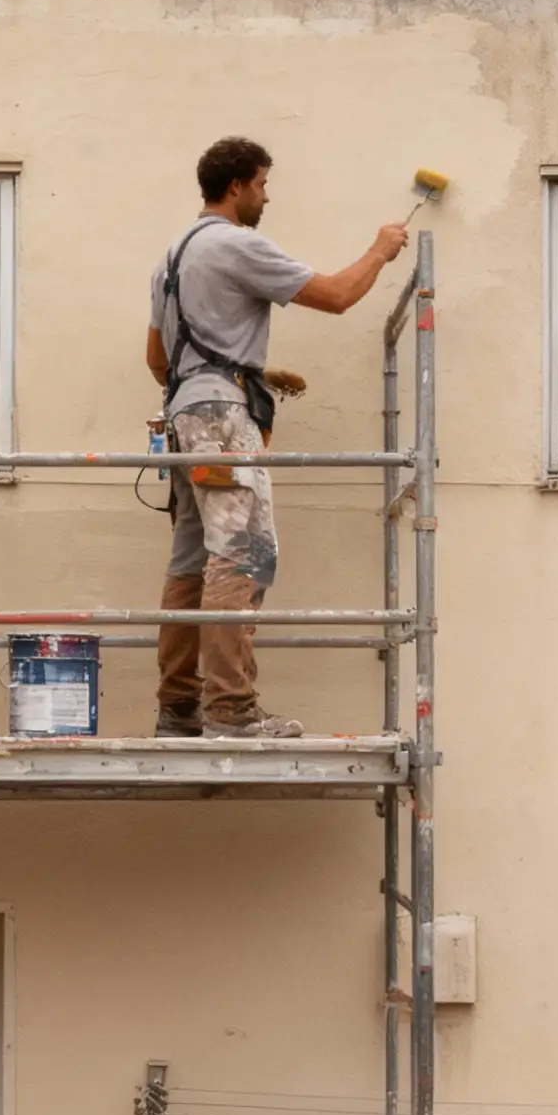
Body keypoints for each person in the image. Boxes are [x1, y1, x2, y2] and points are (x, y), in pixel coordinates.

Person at [147, 138, 408, 739]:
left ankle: (179, 709)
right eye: (263, 183)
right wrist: (380, 250)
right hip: (220, 420)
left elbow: (157, 357)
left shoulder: (170, 257)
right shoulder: (236, 244)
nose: (267, 194)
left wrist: (235, 377)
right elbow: (339, 296)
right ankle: (231, 712)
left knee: (193, 558)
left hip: (185, 418)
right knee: (244, 551)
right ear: (237, 185)